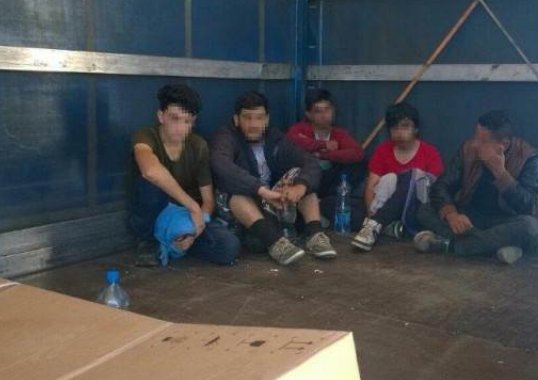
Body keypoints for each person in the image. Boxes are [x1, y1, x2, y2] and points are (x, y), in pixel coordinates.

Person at [209, 91, 336, 266]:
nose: (254, 124)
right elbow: (221, 165)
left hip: (272, 201)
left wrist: (300, 187)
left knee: (302, 176)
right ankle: (276, 244)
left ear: (267, 119)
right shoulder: (225, 136)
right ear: (237, 119)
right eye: (247, 118)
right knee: (236, 193)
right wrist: (261, 190)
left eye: (259, 118)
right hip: (241, 208)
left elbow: (310, 162)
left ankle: (315, 235)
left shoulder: (274, 138)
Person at [414, 110, 538, 265]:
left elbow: (530, 205)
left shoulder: (529, 156)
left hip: (506, 221)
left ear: (503, 145)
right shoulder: (468, 149)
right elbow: (441, 186)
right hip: (472, 219)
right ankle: (497, 246)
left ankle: (453, 245)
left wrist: (501, 174)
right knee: (425, 210)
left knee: (530, 228)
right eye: (475, 137)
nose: (475, 144)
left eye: (482, 141)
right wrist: (452, 215)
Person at [128, 84, 240, 267]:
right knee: (148, 183)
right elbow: (150, 171)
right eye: (174, 119)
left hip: (186, 218)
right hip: (155, 214)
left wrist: (195, 229)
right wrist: (193, 206)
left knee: (228, 247)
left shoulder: (198, 146)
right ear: (161, 116)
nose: (180, 128)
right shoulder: (145, 136)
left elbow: (208, 201)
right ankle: (149, 242)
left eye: (187, 121)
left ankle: (180, 243)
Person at [351, 102, 444, 251]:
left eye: (405, 126)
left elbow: (435, 190)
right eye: (395, 128)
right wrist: (369, 214)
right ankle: (380, 226)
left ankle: (377, 225)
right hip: (383, 206)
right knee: (389, 179)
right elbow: (371, 186)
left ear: (416, 129)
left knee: (411, 177)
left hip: (415, 208)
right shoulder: (383, 150)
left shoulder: (430, 153)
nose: (400, 132)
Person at [287, 88, 366, 197]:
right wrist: (323, 144)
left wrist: (324, 155)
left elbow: (358, 153)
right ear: (308, 114)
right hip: (306, 181)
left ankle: (334, 199)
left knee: (359, 164)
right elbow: (291, 140)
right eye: (318, 111)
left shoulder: (339, 134)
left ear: (333, 110)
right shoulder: (300, 129)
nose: (324, 115)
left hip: (330, 181)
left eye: (327, 109)